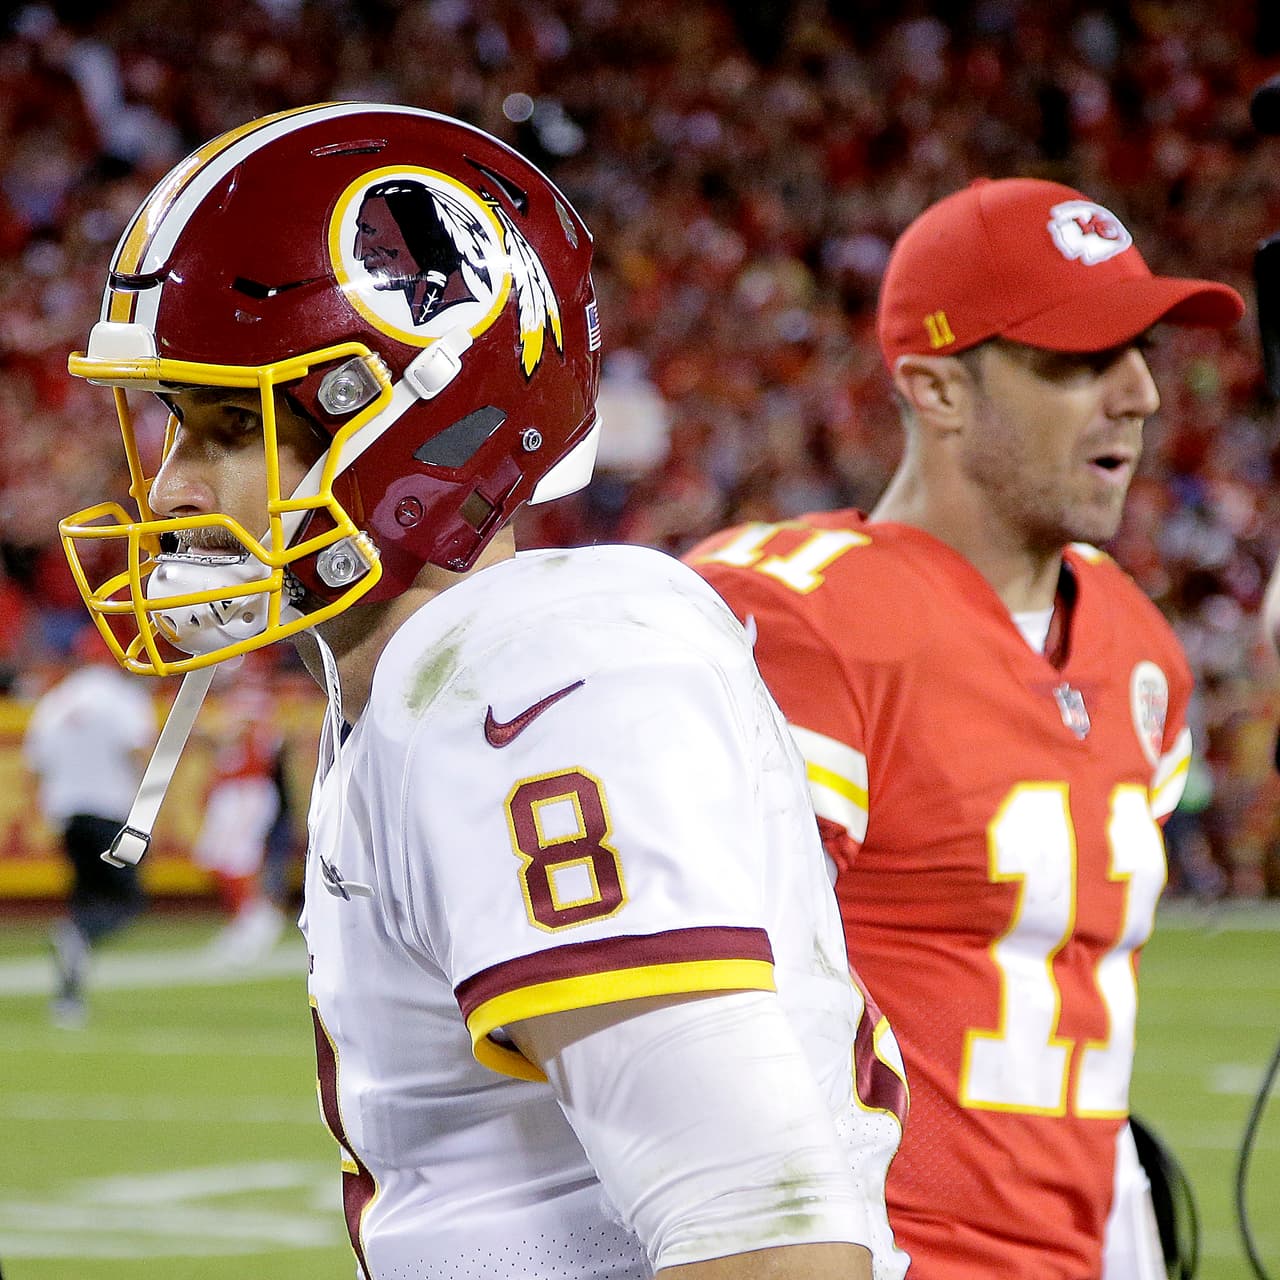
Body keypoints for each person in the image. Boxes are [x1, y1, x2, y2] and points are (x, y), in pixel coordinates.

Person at [57, 103, 909, 1280]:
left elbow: (764, 1241)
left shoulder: (530, 682)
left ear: (421, 428)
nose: (167, 487)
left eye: (224, 425)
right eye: (174, 421)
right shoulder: (424, 684)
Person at [686, 177, 1244, 1280]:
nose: (1136, 393)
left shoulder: (1136, 642)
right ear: (937, 390)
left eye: (1138, 351)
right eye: (1078, 360)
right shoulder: (797, 616)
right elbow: (686, 1025)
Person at [22, 624, 156, 1025]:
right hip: (111, 812)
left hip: (68, 816)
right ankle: (76, 940)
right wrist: (148, 811)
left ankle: (68, 998)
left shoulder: (55, 701)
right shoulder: (122, 699)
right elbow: (138, 753)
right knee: (126, 902)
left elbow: (36, 766)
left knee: (83, 901)